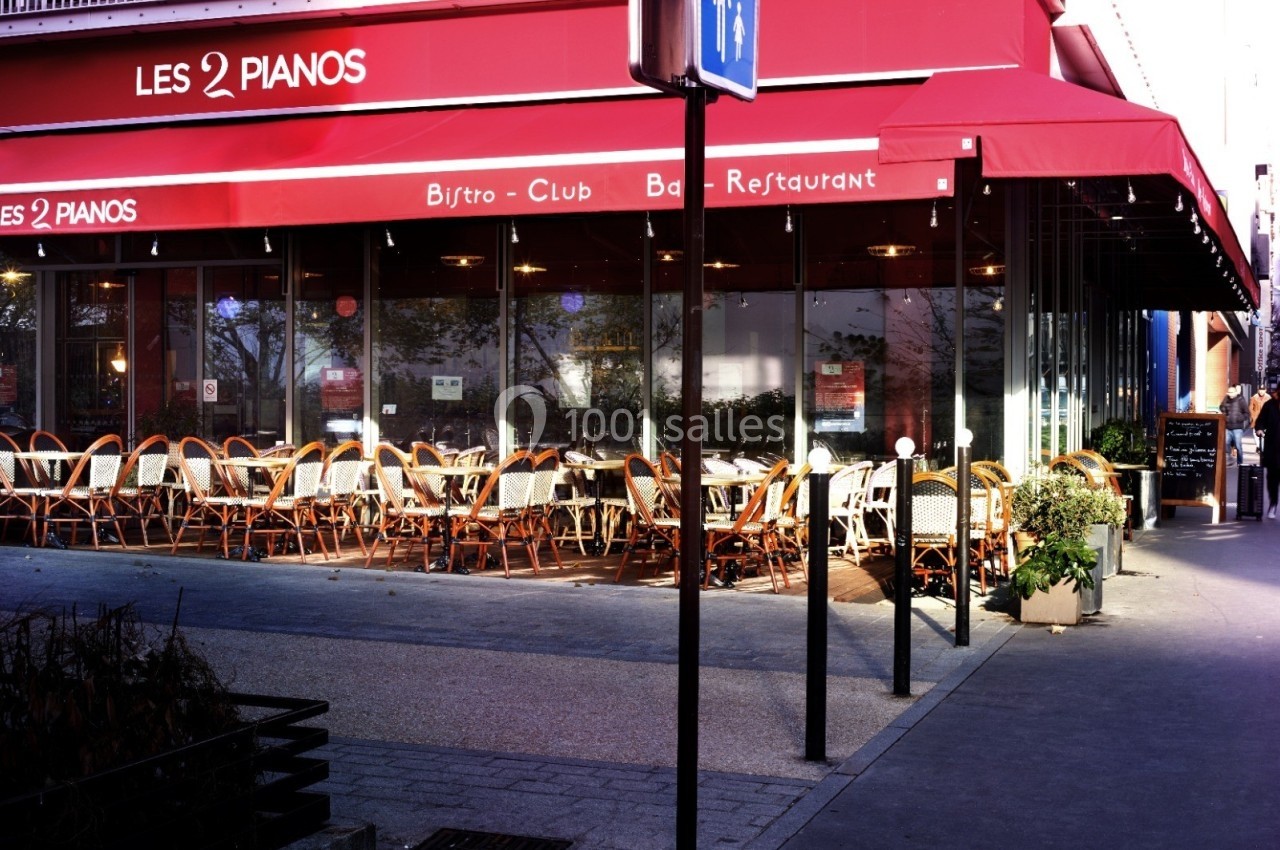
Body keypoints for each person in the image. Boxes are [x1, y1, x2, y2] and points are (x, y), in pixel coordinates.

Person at [1255, 385, 1280, 519]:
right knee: (1272, 479)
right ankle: (1273, 503)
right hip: (1273, 448)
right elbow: (1260, 420)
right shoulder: (1270, 405)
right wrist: (1259, 429)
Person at [1219, 384, 1250, 465]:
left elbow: (1247, 413)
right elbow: (1221, 406)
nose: (1230, 394)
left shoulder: (1240, 400)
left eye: (1232, 392)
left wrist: (1239, 418)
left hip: (1237, 428)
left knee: (1238, 445)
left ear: (1235, 392)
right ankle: (1228, 460)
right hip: (1227, 426)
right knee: (1226, 444)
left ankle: (1240, 462)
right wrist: (1224, 413)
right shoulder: (1226, 399)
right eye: (1229, 392)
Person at [1250, 385, 1270, 454]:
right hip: (1256, 419)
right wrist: (1253, 416)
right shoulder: (1254, 398)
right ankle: (1258, 446)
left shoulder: (1269, 398)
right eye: (1260, 390)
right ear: (1258, 390)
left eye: (1263, 390)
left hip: (1266, 420)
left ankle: (1262, 448)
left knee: (1264, 434)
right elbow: (1250, 408)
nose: (1261, 391)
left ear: (1265, 390)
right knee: (1255, 434)